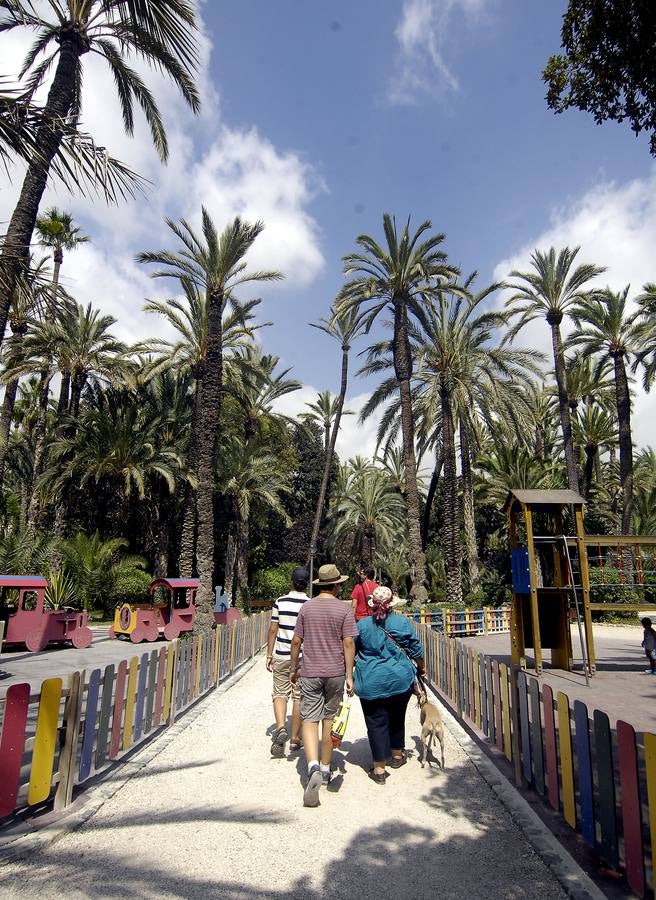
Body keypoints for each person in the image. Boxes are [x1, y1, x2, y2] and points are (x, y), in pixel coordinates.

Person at [290, 563, 357, 807]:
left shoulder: (307, 608)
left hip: (310, 672)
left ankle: (312, 766)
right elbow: (348, 643)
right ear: (337, 585)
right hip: (336, 672)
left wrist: (294, 667)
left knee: (310, 719)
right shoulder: (344, 609)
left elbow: (297, 641)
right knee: (329, 719)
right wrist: (349, 675)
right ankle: (327, 768)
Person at [354, 585, 425, 784]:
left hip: (371, 680)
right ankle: (396, 755)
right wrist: (422, 667)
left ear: (373, 605)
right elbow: (416, 649)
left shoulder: (362, 625)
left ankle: (378, 769)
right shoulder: (402, 622)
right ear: (392, 605)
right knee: (396, 716)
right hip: (400, 678)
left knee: (376, 722)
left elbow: (353, 648)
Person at [266, 567, 309, 757]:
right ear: (307, 583)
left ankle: (281, 727)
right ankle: (294, 739)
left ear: (292, 581)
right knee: (298, 696)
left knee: (280, 693)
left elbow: (273, 629)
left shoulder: (280, 602)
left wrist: (269, 654)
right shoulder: (309, 603)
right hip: (301, 656)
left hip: (282, 654)